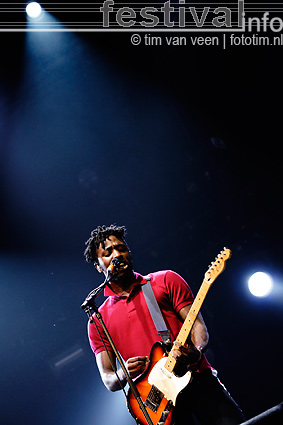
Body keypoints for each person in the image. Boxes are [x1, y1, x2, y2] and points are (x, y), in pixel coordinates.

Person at [84, 224, 245, 425]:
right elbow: (108, 379)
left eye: (121, 248)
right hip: (158, 404)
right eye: (108, 253)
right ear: (99, 266)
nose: (117, 254)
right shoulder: (98, 320)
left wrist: (196, 350)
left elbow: (197, 327)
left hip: (197, 379)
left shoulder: (165, 280)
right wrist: (123, 372)